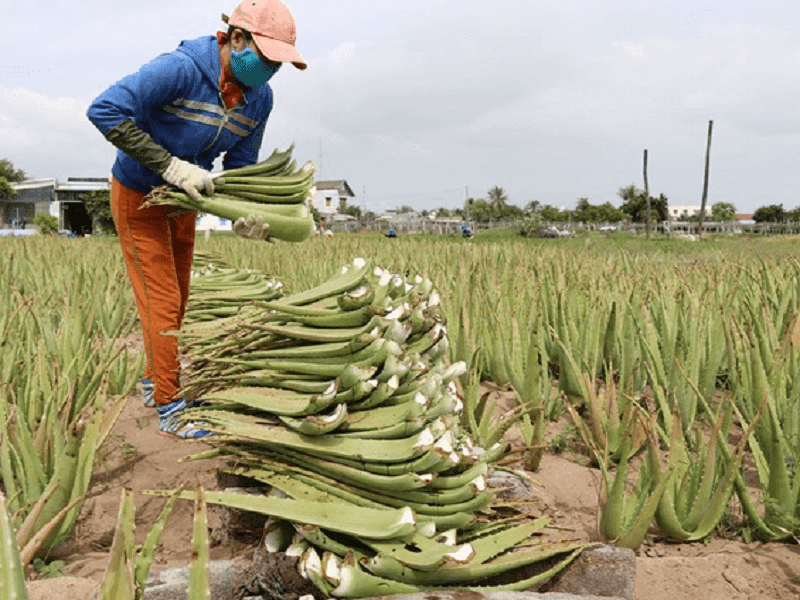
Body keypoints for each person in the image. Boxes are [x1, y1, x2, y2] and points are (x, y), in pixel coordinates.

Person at [86, 0, 307, 438]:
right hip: (138, 193)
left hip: (186, 201)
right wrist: (168, 165)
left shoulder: (259, 98)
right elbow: (104, 109)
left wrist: (249, 218)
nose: (268, 71)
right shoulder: (180, 68)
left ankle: (154, 381)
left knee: (179, 298)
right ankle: (171, 407)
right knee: (161, 300)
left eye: (277, 65)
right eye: (265, 59)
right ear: (236, 38)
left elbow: (240, 170)